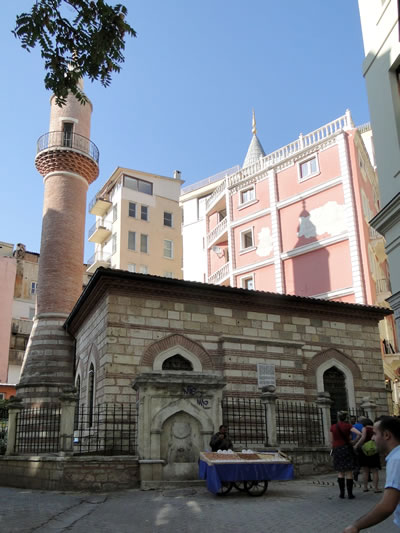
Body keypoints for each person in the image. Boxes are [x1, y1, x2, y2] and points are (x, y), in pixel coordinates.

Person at [342, 416, 400, 532]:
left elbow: (387, 506)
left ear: (386, 435)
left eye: (375, 433)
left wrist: (356, 526)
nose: (372, 438)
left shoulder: (396, 459)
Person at [330, 411, 359, 499]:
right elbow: (359, 434)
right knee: (349, 471)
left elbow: (332, 440)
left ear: (338, 417)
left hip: (337, 449)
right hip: (346, 448)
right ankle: (350, 494)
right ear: (346, 417)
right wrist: (354, 441)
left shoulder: (333, 427)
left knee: (340, 472)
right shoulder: (348, 426)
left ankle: (342, 494)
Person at [354, 417, 381, 493]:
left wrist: (356, 445)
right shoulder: (375, 429)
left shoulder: (364, 429)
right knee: (375, 471)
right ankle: (376, 488)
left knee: (365, 471)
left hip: (364, 451)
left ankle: (365, 487)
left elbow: (363, 438)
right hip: (374, 451)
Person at [350, 416, 363, 481]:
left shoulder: (352, 427)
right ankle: (357, 471)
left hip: (354, 444)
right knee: (360, 460)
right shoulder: (363, 426)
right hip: (362, 444)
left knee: (356, 459)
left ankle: (355, 471)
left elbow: (350, 436)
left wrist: (352, 442)